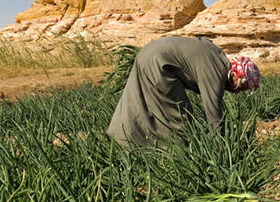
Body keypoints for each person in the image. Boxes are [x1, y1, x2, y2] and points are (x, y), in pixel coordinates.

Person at [107, 36, 261, 146]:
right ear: (235, 75)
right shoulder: (216, 72)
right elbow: (213, 113)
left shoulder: (217, 58)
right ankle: (177, 151)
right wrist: (221, 144)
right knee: (180, 116)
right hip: (159, 62)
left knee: (140, 101)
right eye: (241, 87)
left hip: (148, 53)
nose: (237, 92)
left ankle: (121, 139)